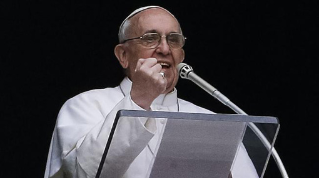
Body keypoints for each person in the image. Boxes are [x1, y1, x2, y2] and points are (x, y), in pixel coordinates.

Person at [44, 6, 258, 178]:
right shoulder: (86, 105)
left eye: (173, 40)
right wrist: (140, 98)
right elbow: (84, 173)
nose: (164, 49)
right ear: (123, 55)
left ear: (181, 55)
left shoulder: (211, 122)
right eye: (150, 38)